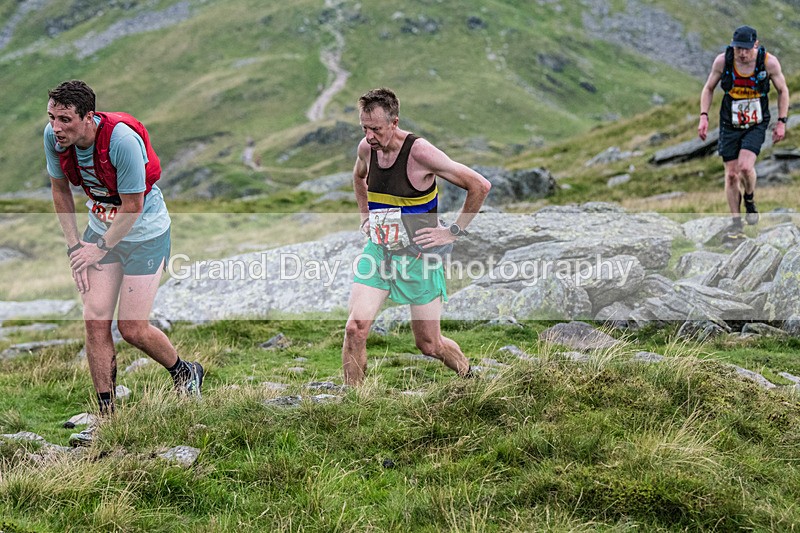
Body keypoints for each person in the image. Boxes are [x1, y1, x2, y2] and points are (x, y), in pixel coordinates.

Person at [44, 80, 203, 445]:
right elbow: (59, 189)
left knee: (131, 327)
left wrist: (97, 248)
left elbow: (132, 207)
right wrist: (75, 247)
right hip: (100, 231)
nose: (57, 128)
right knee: (94, 317)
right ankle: (107, 416)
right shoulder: (54, 138)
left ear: (88, 117)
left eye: (65, 119)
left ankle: (185, 372)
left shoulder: (121, 142)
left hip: (144, 233)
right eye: (52, 117)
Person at [342, 88, 491, 385]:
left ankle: (469, 377)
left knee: (429, 345)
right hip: (380, 253)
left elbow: (480, 185)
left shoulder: (420, 153)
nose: (369, 136)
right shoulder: (366, 148)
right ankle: (352, 403)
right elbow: (359, 176)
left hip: (419, 259)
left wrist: (452, 232)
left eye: (376, 129)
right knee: (355, 329)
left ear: (394, 123)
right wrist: (365, 216)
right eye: (364, 128)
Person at [698, 25, 790, 239]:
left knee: (746, 167)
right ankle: (736, 222)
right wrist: (704, 116)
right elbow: (708, 87)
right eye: (738, 48)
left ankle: (749, 198)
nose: (742, 53)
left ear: (755, 45)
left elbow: (783, 90)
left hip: (756, 122)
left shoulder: (768, 62)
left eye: (747, 49)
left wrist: (782, 122)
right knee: (731, 175)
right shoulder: (723, 61)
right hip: (729, 123)